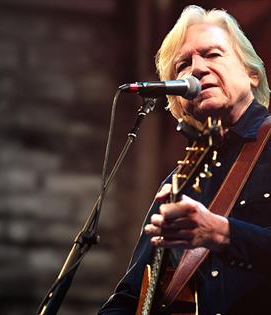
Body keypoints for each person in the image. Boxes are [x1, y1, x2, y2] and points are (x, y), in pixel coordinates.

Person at [99, 5, 270, 315]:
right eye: (183, 65)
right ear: (177, 98)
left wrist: (223, 233)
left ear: (252, 74)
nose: (197, 69)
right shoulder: (178, 183)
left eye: (213, 55)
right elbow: (130, 296)